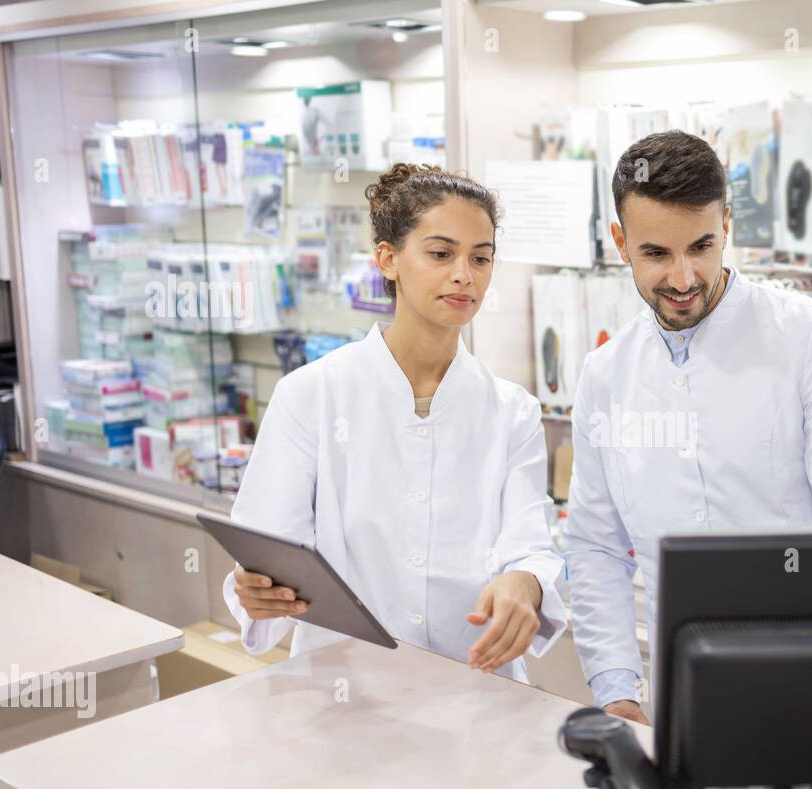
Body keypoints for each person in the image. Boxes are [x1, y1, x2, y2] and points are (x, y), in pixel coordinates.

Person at [566, 130, 812, 724]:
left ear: (728, 223)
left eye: (702, 245)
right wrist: (617, 688)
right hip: (683, 695)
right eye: (656, 254)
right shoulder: (605, 375)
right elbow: (596, 545)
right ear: (620, 242)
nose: (685, 277)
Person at [222, 163, 565, 680]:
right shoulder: (310, 396)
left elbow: (529, 543)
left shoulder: (511, 410)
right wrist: (255, 589)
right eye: (440, 253)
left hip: (474, 687)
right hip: (342, 690)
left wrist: (526, 582)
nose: (464, 275)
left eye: (481, 258)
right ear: (388, 259)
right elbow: (269, 551)